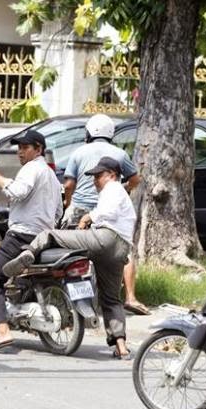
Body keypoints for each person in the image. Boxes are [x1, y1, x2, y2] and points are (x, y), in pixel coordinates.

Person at [3, 157, 136, 359]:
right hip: (120, 249)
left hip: (105, 239)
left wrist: (88, 217)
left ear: (112, 175)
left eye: (99, 176)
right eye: (94, 177)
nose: (95, 181)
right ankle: (121, 346)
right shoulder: (122, 195)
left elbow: (108, 212)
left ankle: (27, 253)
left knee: (50, 235)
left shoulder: (114, 188)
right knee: (111, 299)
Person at [0, 130, 62, 353]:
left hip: (21, 235)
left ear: (38, 149)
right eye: (19, 148)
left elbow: (17, 192)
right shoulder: (51, 175)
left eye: (25, 148)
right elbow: (58, 211)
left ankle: (2, 332)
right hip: (44, 237)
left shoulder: (31, 168)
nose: (20, 152)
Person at [62, 114, 147, 315]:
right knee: (123, 250)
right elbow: (135, 179)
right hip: (110, 211)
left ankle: (66, 300)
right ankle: (130, 298)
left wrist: (68, 202)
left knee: (66, 251)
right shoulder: (119, 154)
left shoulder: (79, 152)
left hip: (82, 209)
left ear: (89, 133)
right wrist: (122, 189)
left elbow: (68, 185)